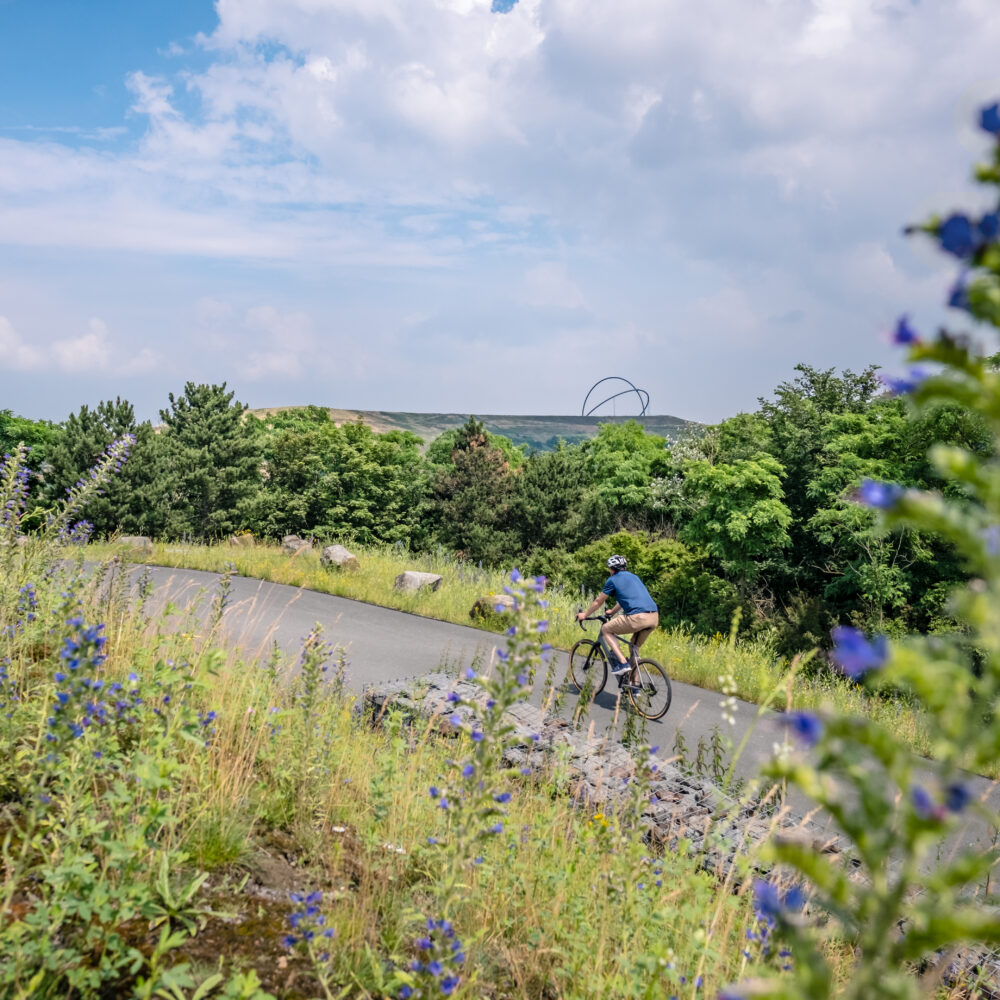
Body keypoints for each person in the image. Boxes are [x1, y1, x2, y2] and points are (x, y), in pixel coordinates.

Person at [576, 554, 659, 675]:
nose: (609, 571)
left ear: (612, 569)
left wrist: (584, 615)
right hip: (654, 617)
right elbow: (626, 598)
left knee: (606, 629)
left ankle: (622, 663)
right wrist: (612, 612)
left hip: (637, 617)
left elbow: (599, 601)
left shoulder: (612, 580)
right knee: (634, 649)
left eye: (609, 569)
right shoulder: (634, 577)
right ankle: (634, 688)